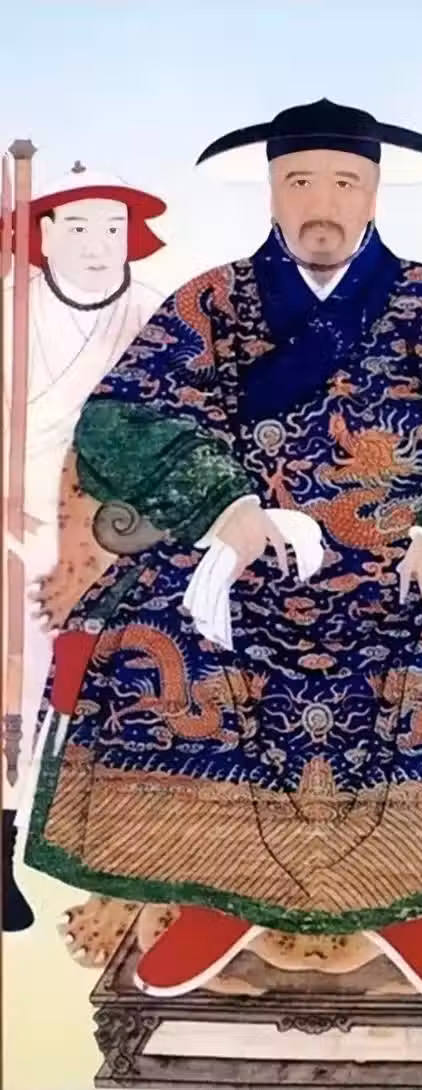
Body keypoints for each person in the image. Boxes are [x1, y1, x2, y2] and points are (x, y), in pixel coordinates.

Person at [23, 99, 422, 1009]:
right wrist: (224, 508)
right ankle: (213, 892)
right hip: (246, 561)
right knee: (155, 644)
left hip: (409, 562)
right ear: (272, 190)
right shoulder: (213, 304)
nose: (322, 203)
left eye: (345, 182)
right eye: (299, 181)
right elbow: (123, 416)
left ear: (374, 193)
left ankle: (415, 899)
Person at [2, 165, 166, 804]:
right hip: (18, 511)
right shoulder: (11, 307)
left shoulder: (153, 313)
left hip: (116, 515)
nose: (97, 244)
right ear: (44, 234)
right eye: (77, 227)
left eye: (112, 227)